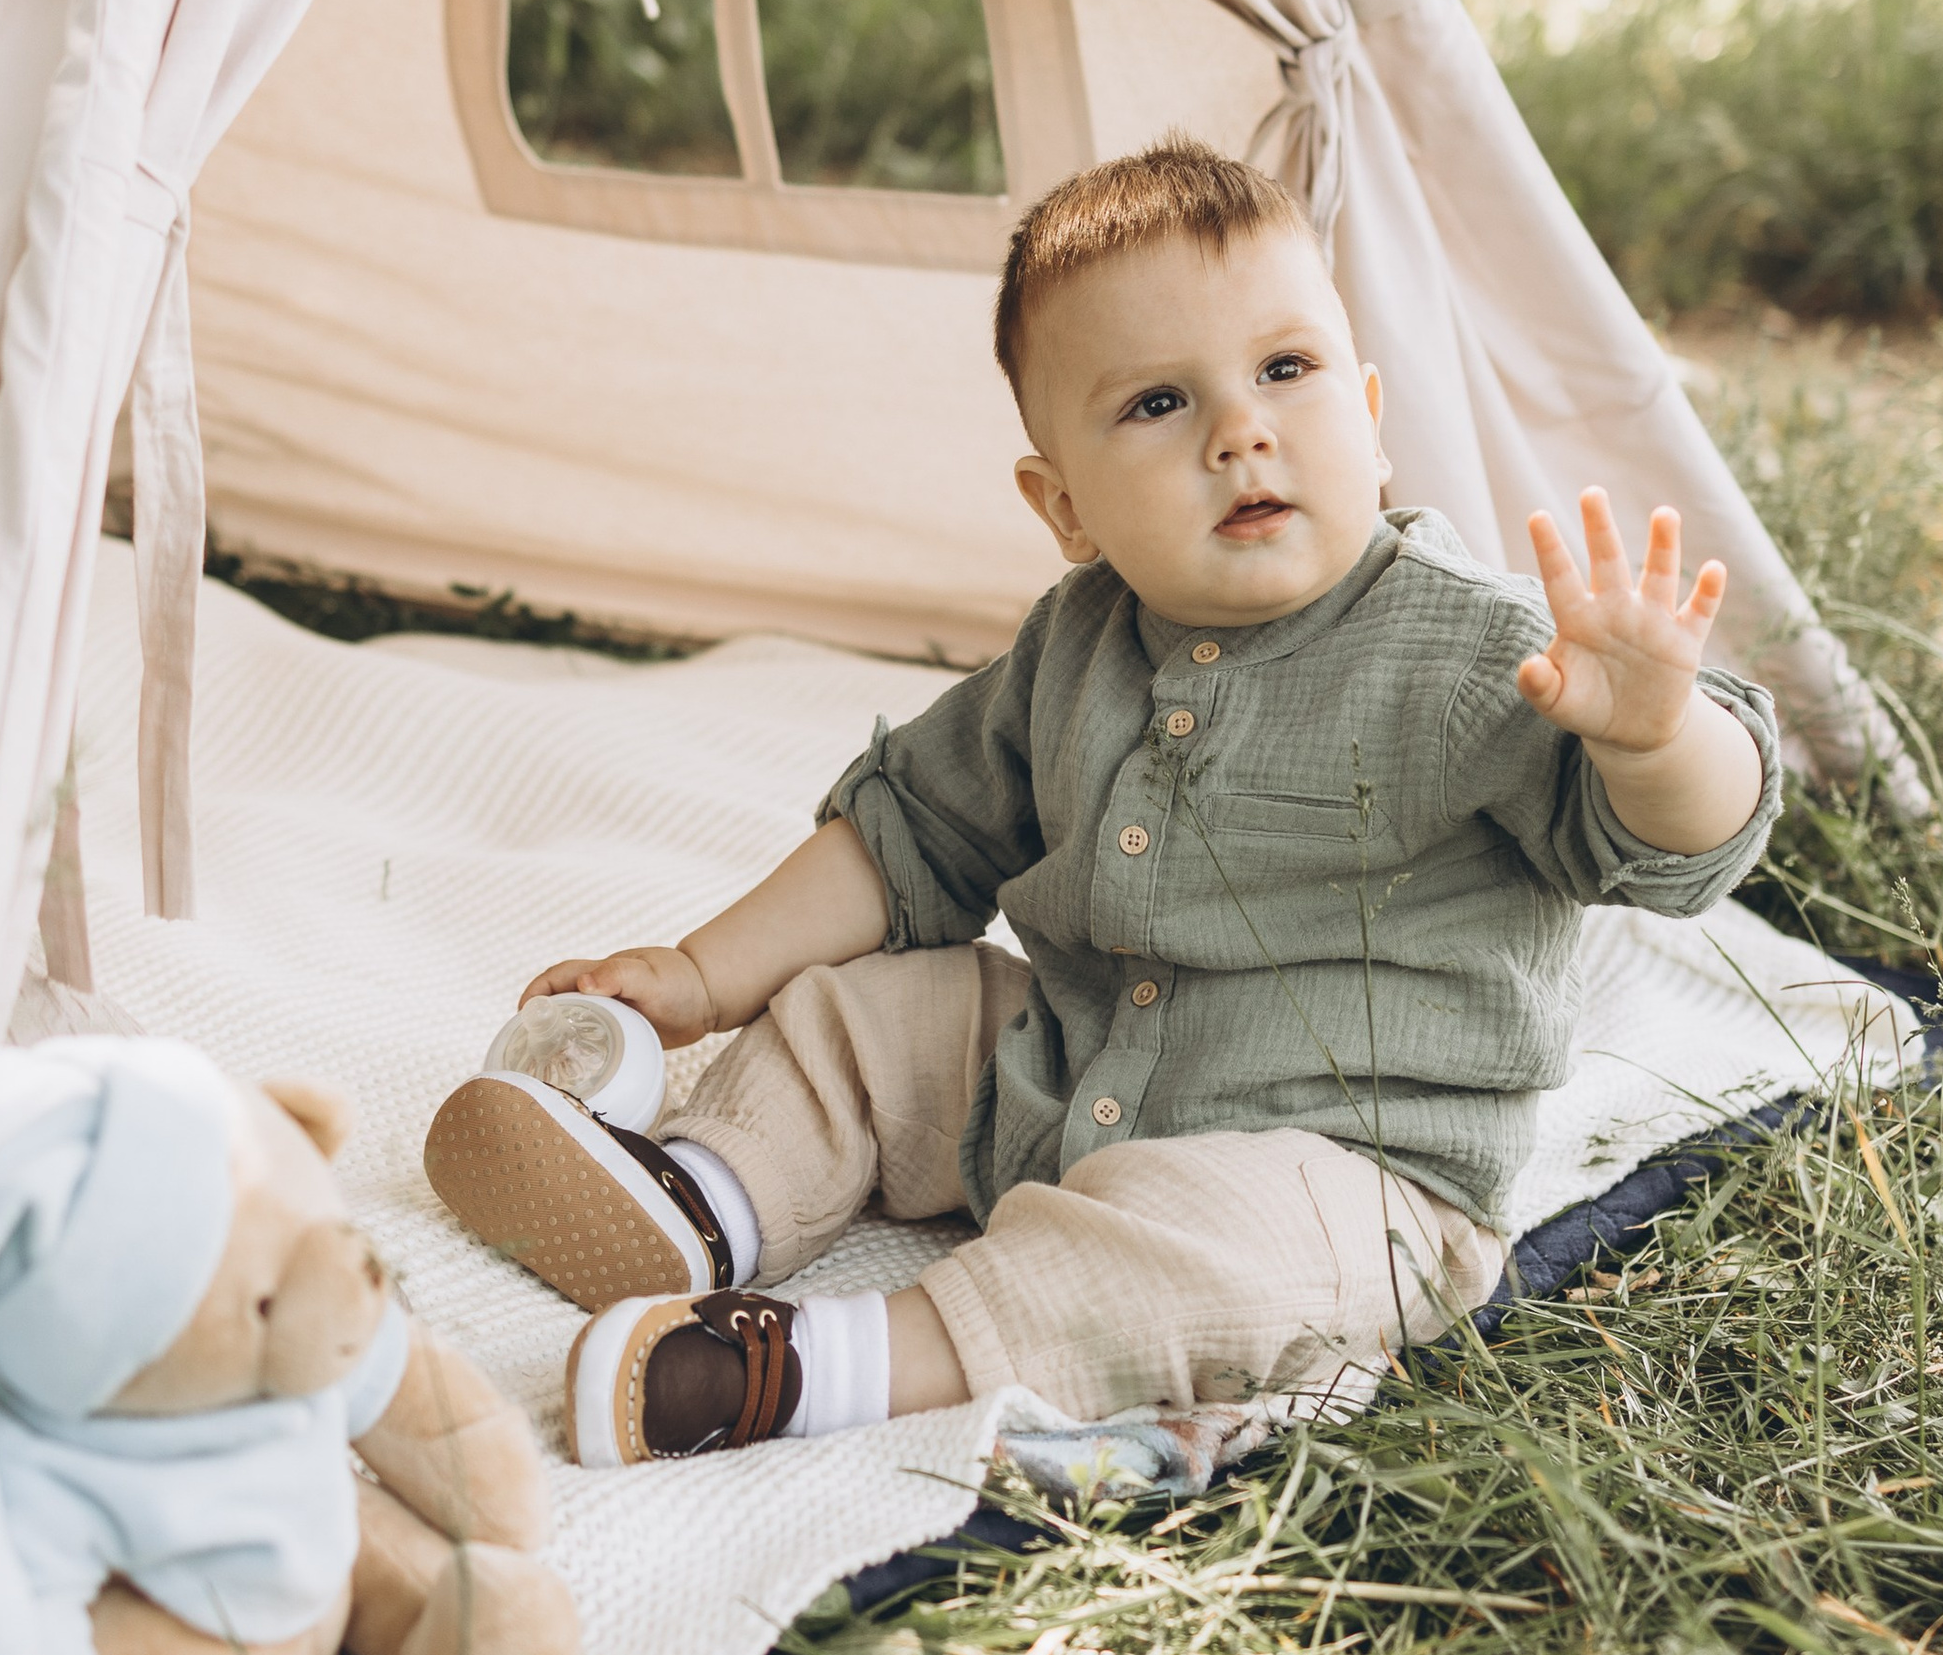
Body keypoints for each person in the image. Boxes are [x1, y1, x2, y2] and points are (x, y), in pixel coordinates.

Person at [423, 141, 1779, 1463]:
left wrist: (1659, 739)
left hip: (1346, 1176)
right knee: (869, 1015)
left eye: (1287, 370)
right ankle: (703, 1199)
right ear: (1064, 506)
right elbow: (906, 837)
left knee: (1198, 1265)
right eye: (1158, 404)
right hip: (1068, 1075)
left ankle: (824, 1362)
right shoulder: (1073, 645)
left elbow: (1682, 853)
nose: (1242, 431)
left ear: (1372, 422)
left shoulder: (1480, 649)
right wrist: (699, 975)